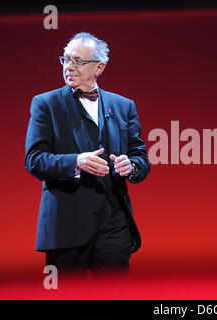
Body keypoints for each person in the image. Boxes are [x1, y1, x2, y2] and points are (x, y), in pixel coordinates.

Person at [25, 32, 150, 276]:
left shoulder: (124, 106)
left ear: (100, 67)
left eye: (78, 61)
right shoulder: (45, 104)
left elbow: (140, 157)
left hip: (114, 222)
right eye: (65, 59)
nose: (69, 67)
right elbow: (34, 159)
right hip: (67, 225)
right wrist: (76, 162)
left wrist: (131, 166)